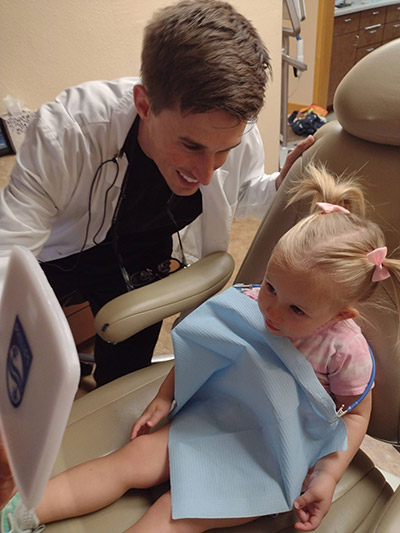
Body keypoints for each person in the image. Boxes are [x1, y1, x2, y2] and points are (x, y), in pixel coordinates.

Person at [3, 163, 400, 532]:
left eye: (296, 308)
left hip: (271, 455)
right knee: (124, 464)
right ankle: (17, 513)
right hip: (214, 417)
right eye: (272, 287)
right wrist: (165, 397)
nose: (272, 312)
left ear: (340, 315)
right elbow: (207, 348)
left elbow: (354, 416)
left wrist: (327, 475)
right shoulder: (250, 300)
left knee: (176, 514)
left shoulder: (345, 352)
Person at [0, 0, 313, 387]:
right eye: (192, 146)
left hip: (141, 250)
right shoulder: (68, 132)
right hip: (57, 252)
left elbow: (244, 194)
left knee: (126, 371)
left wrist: (281, 187)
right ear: (144, 105)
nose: (206, 175)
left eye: (223, 152)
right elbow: (9, 253)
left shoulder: (235, 131)